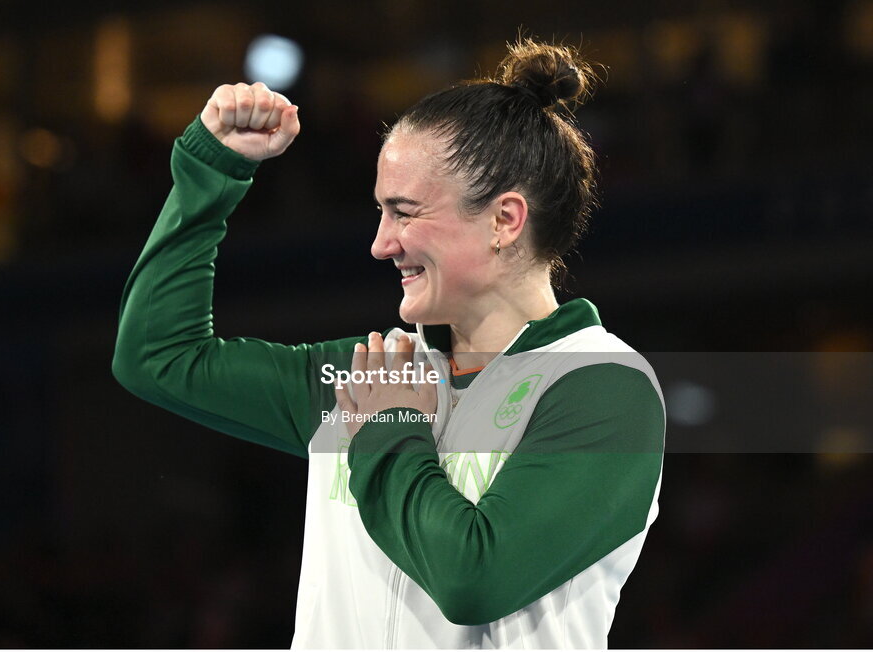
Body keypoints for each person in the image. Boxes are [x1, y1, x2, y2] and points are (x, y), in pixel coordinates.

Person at [112, 37, 665, 649]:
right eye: (380, 213)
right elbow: (158, 357)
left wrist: (392, 424)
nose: (381, 243)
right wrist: (211, 174)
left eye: (404, 212)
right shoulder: (370, 370)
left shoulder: (602, 385)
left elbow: (475, 579)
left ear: (505, 220)